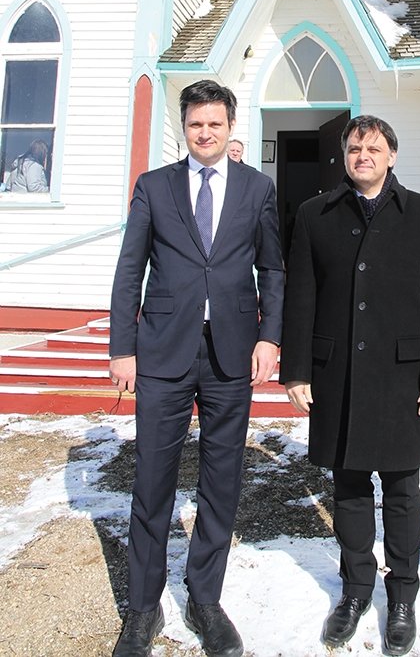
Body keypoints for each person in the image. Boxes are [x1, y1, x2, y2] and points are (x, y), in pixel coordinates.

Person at [109, 80, 284, 657]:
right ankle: (142, 609)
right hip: (162, 350)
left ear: (231, 125)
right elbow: (129, 269)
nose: (204, 133)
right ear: (183, 128)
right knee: (153, 482)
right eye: (194, 124)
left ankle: (205, 598)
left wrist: (269, 337)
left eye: (213, 123)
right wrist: (122, 347)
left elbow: (273, 270)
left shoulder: (258, 188)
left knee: (221, 482)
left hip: (231, 352)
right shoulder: (154, 187)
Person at [280, 115, 420, 656]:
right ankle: (355, 592)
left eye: (374, 147)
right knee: (350, 489)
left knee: (403, 492)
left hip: (405, 379)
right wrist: (297, 370)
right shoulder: (315, 214)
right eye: (355, 147)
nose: (364, 155)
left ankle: (401, 597)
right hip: (338, 375)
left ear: (392, 155)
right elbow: (301, 296)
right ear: (344, 155)